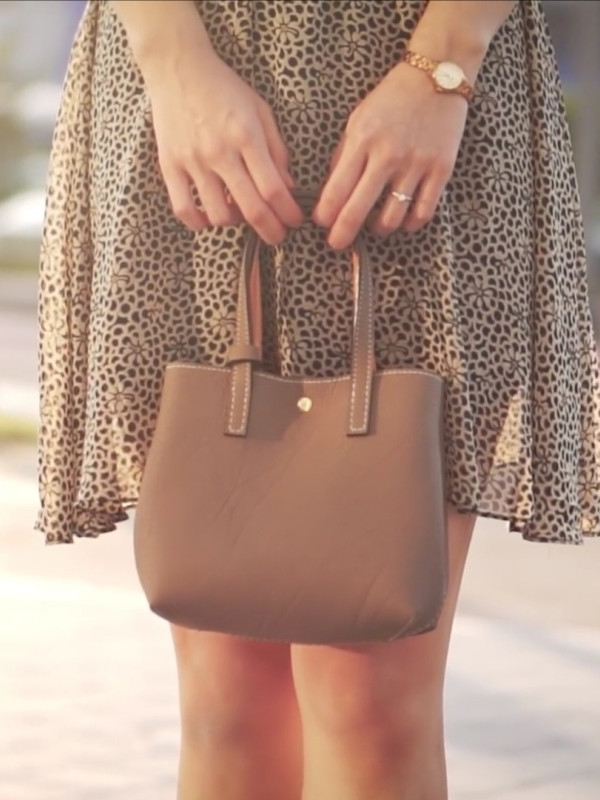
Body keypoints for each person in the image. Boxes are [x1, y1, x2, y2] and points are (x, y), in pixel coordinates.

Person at [36, 1, 600, 798]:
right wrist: (172, 56)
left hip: (429, 87)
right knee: (228, 694)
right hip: (186, 78)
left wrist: (444, 64)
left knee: (372, 698)